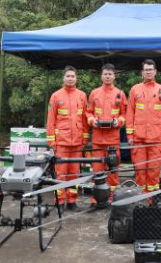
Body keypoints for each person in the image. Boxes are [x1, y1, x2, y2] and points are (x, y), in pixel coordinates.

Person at [46, 65, 89, 210]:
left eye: (73, 76)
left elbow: (84, 119)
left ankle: (72, 201)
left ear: (76, 78)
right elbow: (51, 120)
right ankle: (59, 201)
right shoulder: (56, 96)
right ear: (63, 78)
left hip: (77, 142)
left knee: (74, 173)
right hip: (61, 142)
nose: (70, 78)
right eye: (68, 76)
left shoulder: (82, 95)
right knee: (60, 173)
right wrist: (51, 140)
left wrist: (84, 138)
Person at [126, 59, 161, 192]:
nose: (148, 72)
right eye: (146, 70)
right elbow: (130, 113)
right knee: (140, 172)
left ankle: (152, 200)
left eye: (151, 70)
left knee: (154, 172)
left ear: (155, 72)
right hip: (138, 139)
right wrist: (130, 136)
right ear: (142, 72)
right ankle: (140, 200)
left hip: (156, 140)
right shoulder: (135, 89)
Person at [86, 63, 128, 203]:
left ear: (114, 76)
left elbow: (125, 114)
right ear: (101, 76)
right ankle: (97, 199)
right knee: (97, 170)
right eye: (105, 74)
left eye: (110, 74)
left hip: (113, 140)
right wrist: (92, 120)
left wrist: (118, 121)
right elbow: (88, 112)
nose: (108, 76)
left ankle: (112, 197)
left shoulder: (120, 93)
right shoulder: (94, 93)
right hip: (98, 139)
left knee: (113, 171)